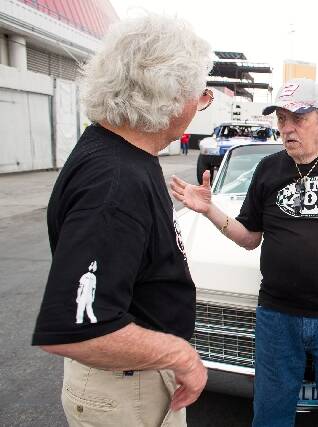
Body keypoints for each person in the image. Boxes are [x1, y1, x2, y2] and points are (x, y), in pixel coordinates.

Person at [170, 78, 318, 427]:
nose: (287, 128)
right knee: (271, 413)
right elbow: (250, 239)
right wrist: (210, 211)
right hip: (277, 316)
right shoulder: (268, 169)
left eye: (298, 119)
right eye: (281, 119)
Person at [31, 15, 213, 427]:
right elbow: (77, 328)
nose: (199, 106)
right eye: (200, 95)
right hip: (124, 392)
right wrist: (180, 354)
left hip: (131, 382)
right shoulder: (115, 183)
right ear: (168, 94)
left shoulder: (121, 152)